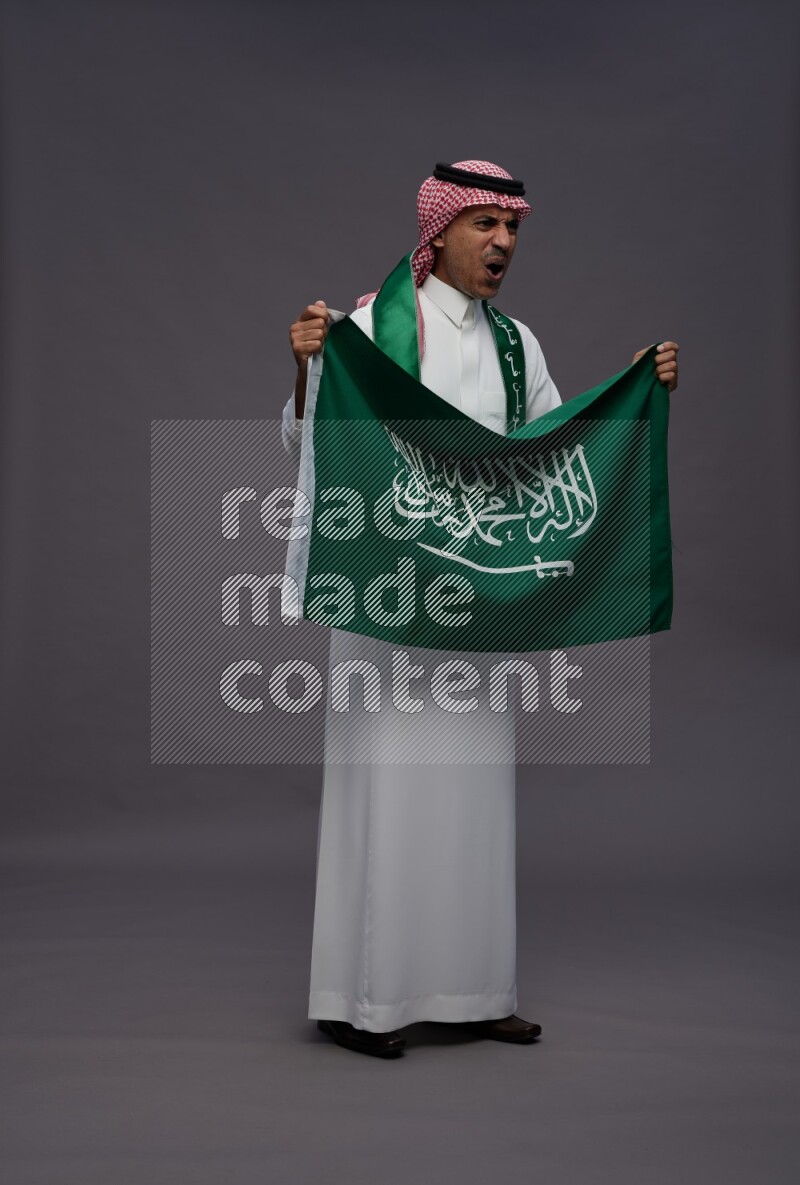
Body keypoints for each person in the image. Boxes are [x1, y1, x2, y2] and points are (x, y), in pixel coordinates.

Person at [282, 160, 679, 1059]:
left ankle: (475, 991)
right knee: (386, 793)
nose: (503, 243)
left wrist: (634, 398)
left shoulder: (517, 344)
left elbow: (551, 452)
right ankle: (363, 999)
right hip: (388, 597)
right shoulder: (366, 329)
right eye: (485, 224)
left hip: (475, 601)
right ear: (439, 231)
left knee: (472, 797)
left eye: (514, 228)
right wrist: (306, 364)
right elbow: (308, 441)